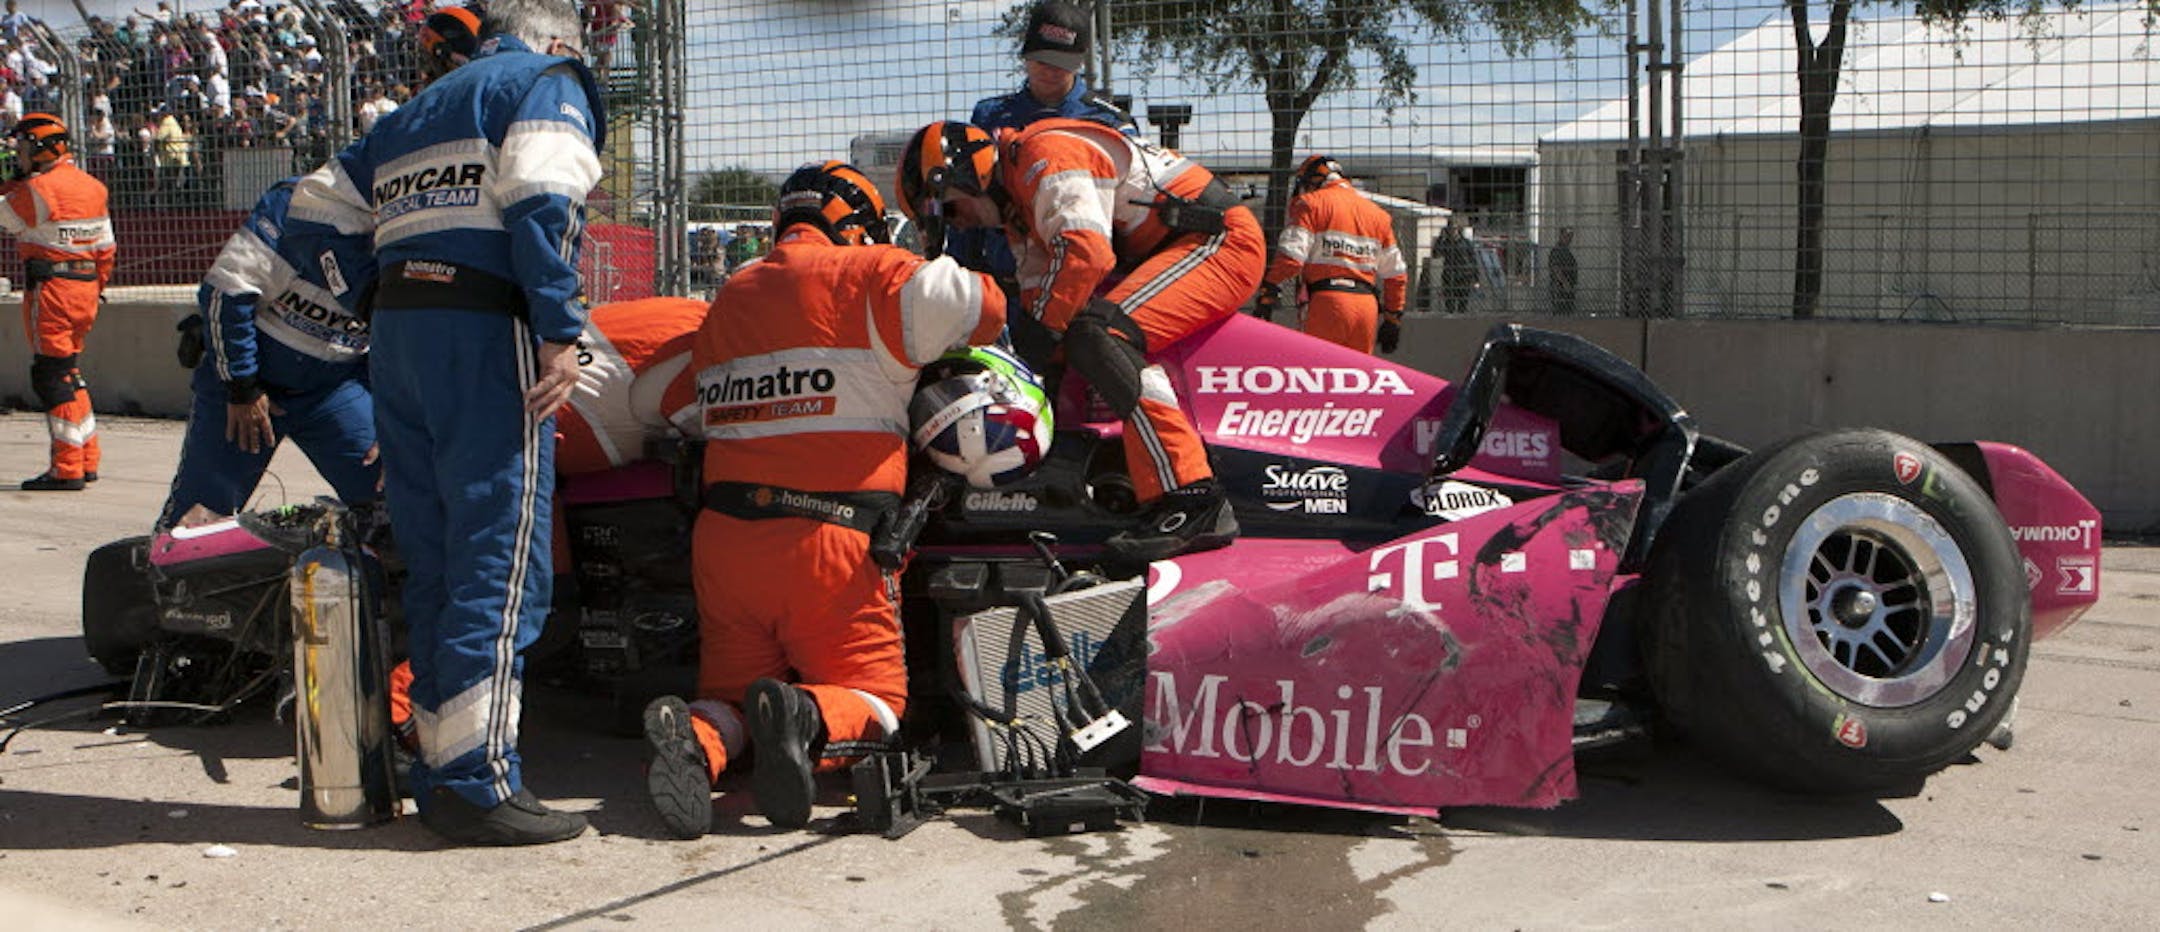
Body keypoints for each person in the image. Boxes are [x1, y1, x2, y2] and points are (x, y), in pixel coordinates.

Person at [287, 0, 602, 847]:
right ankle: (476, 781)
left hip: (399, 335)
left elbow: (312, 213)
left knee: (431, 558)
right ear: (558, 37)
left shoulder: (414, 109)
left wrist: (368, 294)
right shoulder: (546, 80)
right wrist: (561, 327)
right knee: (498, 563)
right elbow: (545, 200)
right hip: (483, 331)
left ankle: (438, 767)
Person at [640, 161, 1006, 836]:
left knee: (725, 699)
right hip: (834, 545)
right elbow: (984, 307)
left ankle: (699, 742)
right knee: (880, 699)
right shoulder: (874, 273)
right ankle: (809, 722)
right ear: (858, 227)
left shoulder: (730, 297)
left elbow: (658, 400)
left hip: (725, 545)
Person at [899, 118, 1258, 560]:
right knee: (1069, 340)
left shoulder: (1043, 155)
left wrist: (1038, 341)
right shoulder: (1018, 208)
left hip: (1218, 243)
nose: (962, 225)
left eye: (951, 210)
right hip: (1174, 246)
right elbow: (1039, 307)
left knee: (1098, 335)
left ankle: (1192, 495)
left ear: (965, 173)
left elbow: (1085, 252)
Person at [158, 178, 379, 528]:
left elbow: (415, 341)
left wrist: (398, 421)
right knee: (198, 520)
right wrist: (242, 386)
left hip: (335, 388)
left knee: (395, 493)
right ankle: (167, 581)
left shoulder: (430, 225)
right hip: (245, 390)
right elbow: (226, 290)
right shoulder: (302, 201)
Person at [949, 0, 1133, 274]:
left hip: (1083, 279)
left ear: (1080, 61)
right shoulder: (989, 117)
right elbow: (969, 203)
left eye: (1061, 63)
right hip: (1005, 279)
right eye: (1042, 59)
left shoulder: (1108, 122)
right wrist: (959, 273)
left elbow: (1127, 217)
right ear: (1025, 54)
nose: (1049, 71)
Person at [3, 114, 115, 491]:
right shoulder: (92, 187)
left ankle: (67, 468)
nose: (17, 156)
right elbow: (106, 249)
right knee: (68, 372)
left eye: (21, 149)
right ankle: (87, 457)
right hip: (86, 286)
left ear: (38, 148)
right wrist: (95, 286)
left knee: (49, 376)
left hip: (52, 288)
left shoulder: (39, 189)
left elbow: (9, 218)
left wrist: (13, 183)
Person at [1257, 154, 1407, 355]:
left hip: (1326, 304)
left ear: (1313, 179)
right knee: (1356, 380)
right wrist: (1392, 318)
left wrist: (1268, 292)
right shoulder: (1378, 215)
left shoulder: (1310, 204)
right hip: (1366, 307)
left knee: (1317, 376)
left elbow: (1291, 258)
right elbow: (1396, 274)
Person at [553, 295, 704, 476]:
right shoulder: (707, 354)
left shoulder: (689, 309)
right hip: (553, 430)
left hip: (533, 361)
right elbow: (727, 440)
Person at [1435, 219, 1477, 316]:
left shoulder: (1466, 243)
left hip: (1464, 276)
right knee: (1450, 305)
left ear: (1458, 230)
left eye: (1454, 229)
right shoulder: (1445, 243)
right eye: (1450, 229)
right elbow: (1436, 254)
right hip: (1449, 276)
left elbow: (1473, 260)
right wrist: (1440, 237)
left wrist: (1476, 278)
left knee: (1463, 304)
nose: (1452, 231)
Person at [1549, 226, 1578, 316]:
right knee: (1561, 313)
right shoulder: (1558, 250)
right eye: (1567, 236)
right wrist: (1565, 283)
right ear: (1561, 236)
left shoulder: (1566, 251)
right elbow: (1555, 268)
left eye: (1570, 237)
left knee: (1567, 312)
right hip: (1560, 288)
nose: (1569, 239)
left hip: (1567, 288)